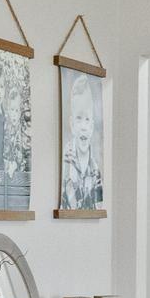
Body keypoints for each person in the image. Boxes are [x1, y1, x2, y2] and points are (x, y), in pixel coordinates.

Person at [61, 70, 104, 210]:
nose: (83, 127)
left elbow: (98, 205)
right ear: (72, 124)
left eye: (87, 120)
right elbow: (72, 206)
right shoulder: (66, 162)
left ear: (92, 126)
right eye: (79, 119)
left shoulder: (95, 167)